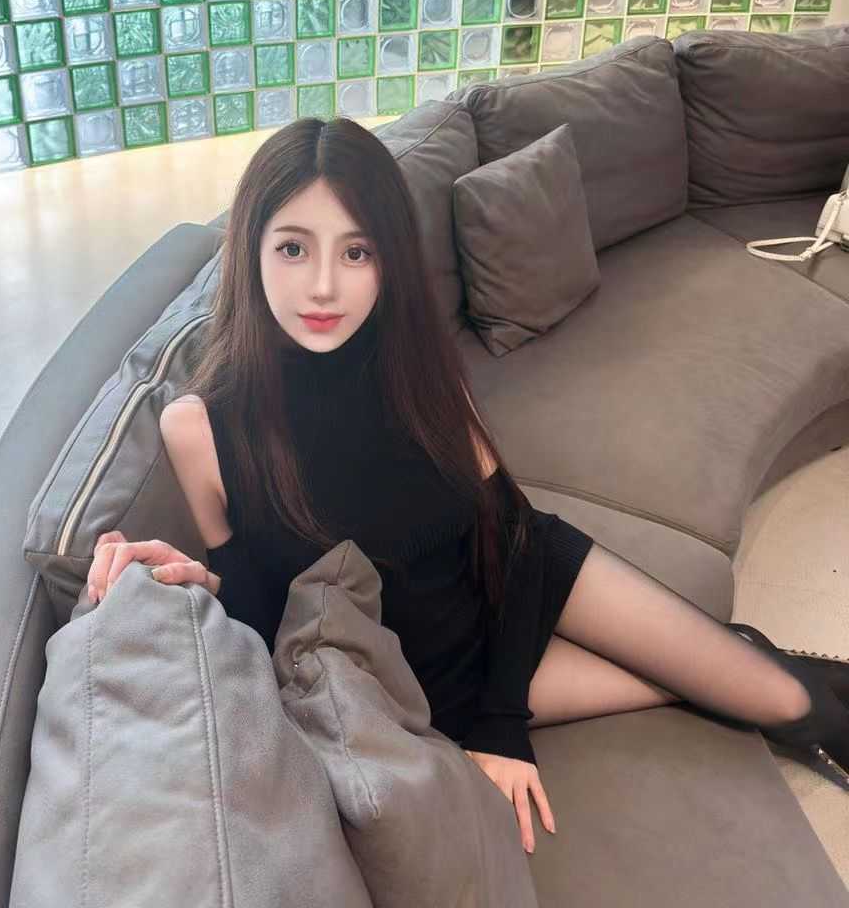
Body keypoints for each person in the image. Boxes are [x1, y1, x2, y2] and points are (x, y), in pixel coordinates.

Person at [87, 115, 849, 857]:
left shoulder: (417, 373)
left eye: (357, 252)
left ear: (388, 259)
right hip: (440, 677)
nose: (323, 286)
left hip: (524, 574)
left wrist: (505, 726)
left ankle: (753, 666)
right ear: (250, 250)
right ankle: (735, 654)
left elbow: (510, 534)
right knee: (727, 684)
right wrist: (197, 586)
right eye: (292, 248)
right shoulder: (200, 427)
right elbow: (263, 615)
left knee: (785, 700)